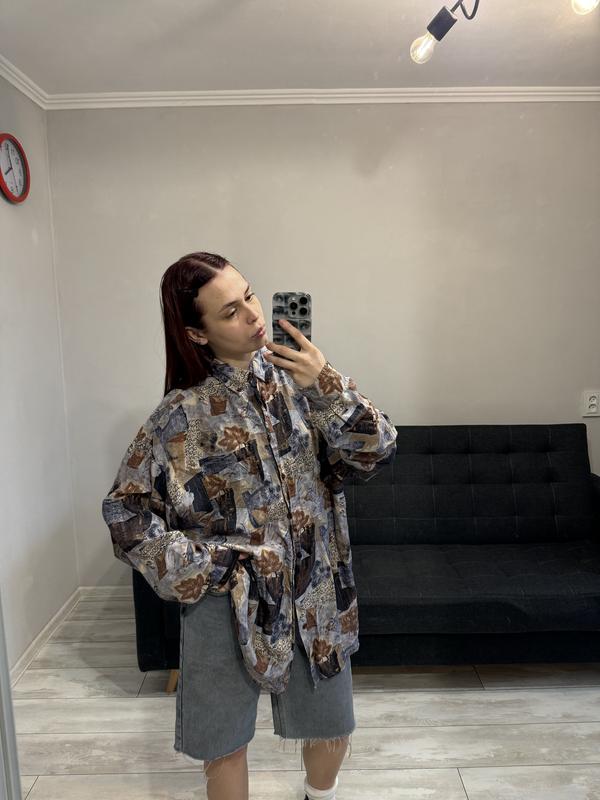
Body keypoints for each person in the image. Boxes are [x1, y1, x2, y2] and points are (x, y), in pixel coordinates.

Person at [101, 252, 397, 800]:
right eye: (230, 312)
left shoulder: (304, 384)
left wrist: (327, 385)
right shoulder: (181, 415)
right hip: (227, 598)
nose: (254, 316)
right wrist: (203, 567)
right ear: (197, 334)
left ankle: (318, 795)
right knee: (224, 741)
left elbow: (377, 450)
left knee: (331, 724)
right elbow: (126, 511)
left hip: (313, 587)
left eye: (250, 296)